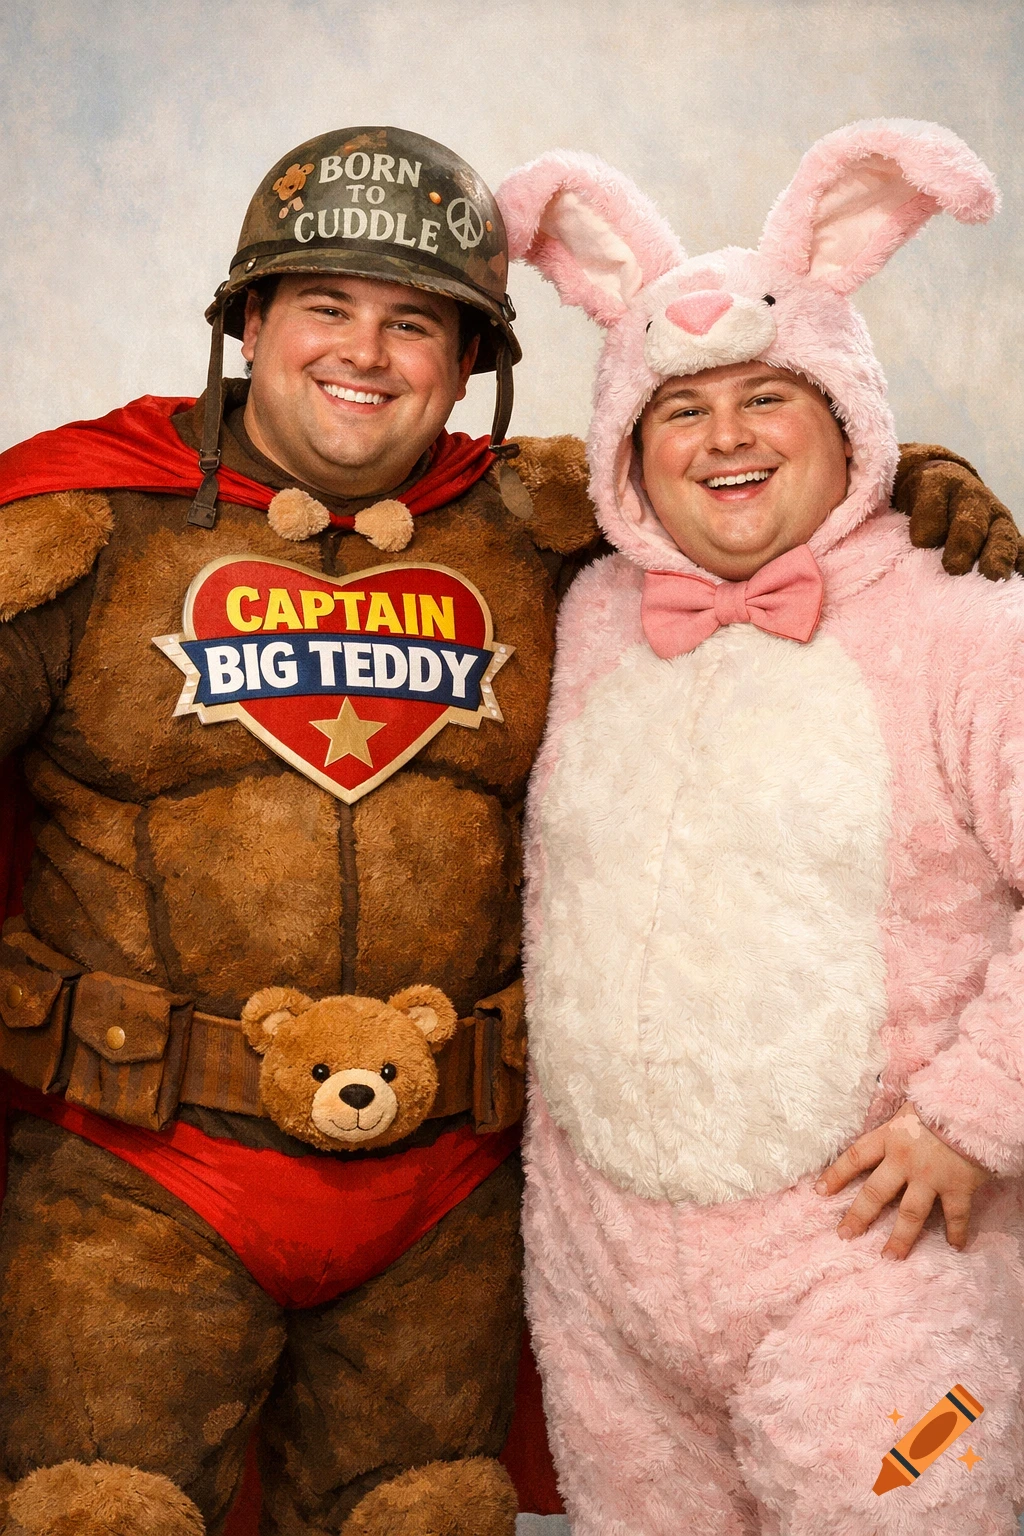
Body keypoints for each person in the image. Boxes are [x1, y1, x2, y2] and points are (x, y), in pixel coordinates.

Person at [0, 123, 1010, 1536]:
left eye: (416, 322)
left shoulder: (534, 526)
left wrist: (905, 480)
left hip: (444, 1208)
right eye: (326, 309)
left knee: (425, 1514)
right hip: (143, 1173)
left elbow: (722, 472)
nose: (367, 354)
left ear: (472, 364)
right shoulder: (85, 520)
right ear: (246, 323)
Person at [501, 121, 1024, 1535]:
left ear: (849, 413)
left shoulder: (966, 621)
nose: (724, 437)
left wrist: (977, 1120)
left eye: (768, 396)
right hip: (607, 1283)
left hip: (870, 1260)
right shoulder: (586, 609)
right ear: (625, 443)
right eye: (680, 408)